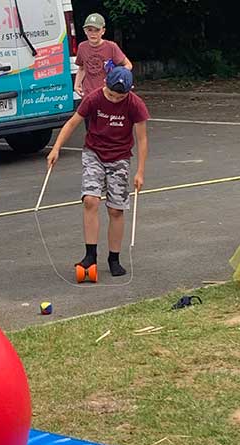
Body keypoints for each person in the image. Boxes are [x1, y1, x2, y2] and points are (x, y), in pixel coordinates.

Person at [46, 67, 149, 277]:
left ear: (129, 91)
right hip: (94, 153)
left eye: (119, 96)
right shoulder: (93, 99)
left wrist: (140, 171)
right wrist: (56, 148)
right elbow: (73, 123)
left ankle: (114, 258)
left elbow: (142, 139)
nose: (114, 99)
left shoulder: (135, 105)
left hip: (120, 157)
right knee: (90, 200)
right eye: (111, 94)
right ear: (104, 85)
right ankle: (90, 254)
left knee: (116, 210)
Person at [74, 13, 132, 101]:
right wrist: (77, 84)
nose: (93, 33)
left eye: (97, 30)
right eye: (90, 30)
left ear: (103, 31)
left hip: (108, 93)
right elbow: (82, 68)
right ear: (85, 31)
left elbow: (128, 65)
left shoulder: (111, 47)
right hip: (88, 94)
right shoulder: (82, 47)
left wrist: (116, 77)